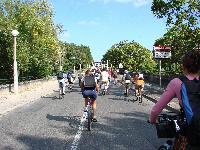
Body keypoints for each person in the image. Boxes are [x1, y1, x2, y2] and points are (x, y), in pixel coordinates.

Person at [149, 50, 200, 149]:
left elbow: (156, 110)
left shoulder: (177, 82)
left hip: (191, 133)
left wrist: (153, 120)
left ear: (183, 66)